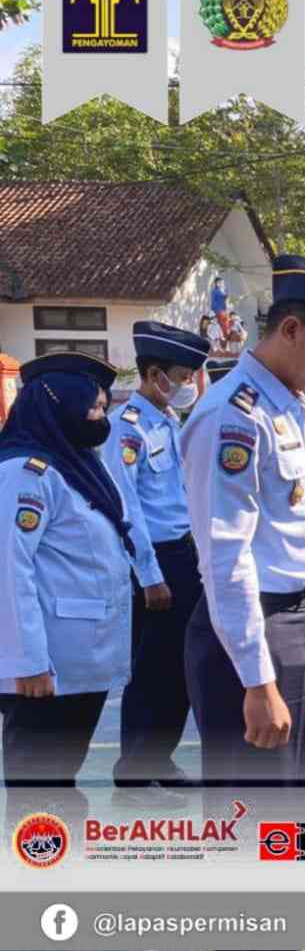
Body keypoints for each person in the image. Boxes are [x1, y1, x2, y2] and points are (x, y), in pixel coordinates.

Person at [181, 254, 305, 819]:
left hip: (300, 628)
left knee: (293, 804)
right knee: (254, 814)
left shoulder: (295, 409)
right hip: (255, 636)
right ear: (292, 331)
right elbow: (227, 561)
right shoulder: (234, 418)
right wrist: (257, 681)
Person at [0, 352, 134, 828]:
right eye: (93, 410)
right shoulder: (25, 473)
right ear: (59, 410)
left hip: (81, 662)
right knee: (39, 790)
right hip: (47, 671)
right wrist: (28, 662)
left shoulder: (74, 465)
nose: (101, 420)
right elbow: (10, 572)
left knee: (60, 784)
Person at [103, 321, 211, 806]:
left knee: (178, 668)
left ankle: (160, 760)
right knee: (151, 671)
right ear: (153, 374)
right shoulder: (125, 430)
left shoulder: (166, 420)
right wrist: (149, 575)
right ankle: (133, 775)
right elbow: (126, 508)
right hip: (156, 564)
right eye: (182, 374)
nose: (188, 384)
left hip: (183, 555)